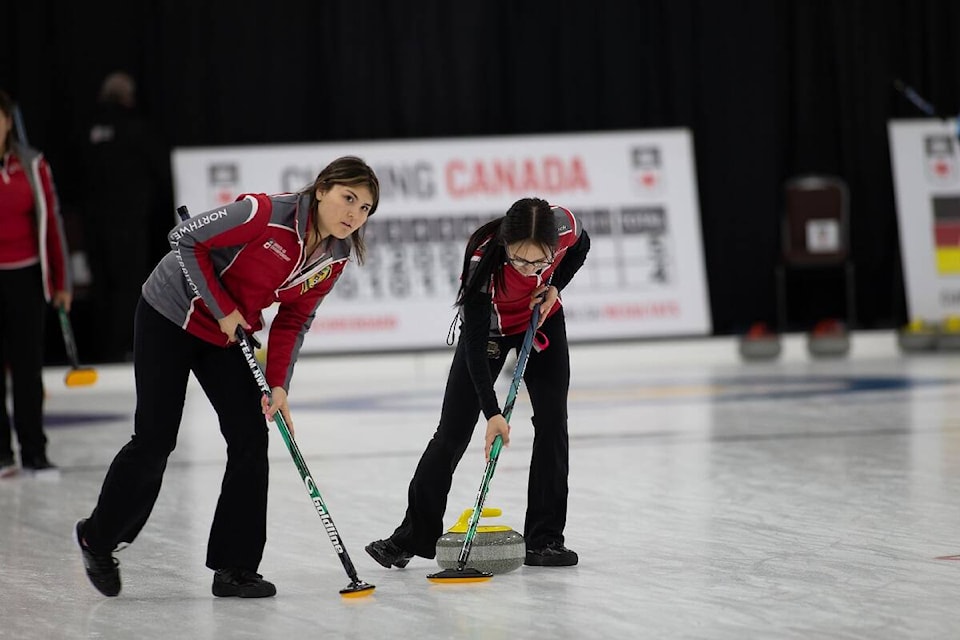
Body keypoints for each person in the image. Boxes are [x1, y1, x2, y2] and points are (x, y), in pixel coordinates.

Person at [75, 156, 379, 598]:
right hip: (170, 315)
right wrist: (221, 308)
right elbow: (183, 238)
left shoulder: (334, 257)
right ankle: (97, 539)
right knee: (156, 440)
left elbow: (295, 319)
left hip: (227, 334)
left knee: (251, 437)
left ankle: (235, 567)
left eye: (366, 208)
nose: (354, 214)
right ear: (321, 189)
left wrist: (279, 386)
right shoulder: (264, 213)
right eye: (348, 198)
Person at [366, 197, 590, 569]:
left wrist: (555, 286)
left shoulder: (565, 226)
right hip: (488, 333)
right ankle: (411, 536)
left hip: (542, 320)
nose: (529, 267)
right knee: (451, 434)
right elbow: (472, 346)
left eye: (540, 261)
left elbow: (582, 246)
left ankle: (545, 539)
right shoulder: (482, 261)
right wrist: (492, 414)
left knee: (553, 423)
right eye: (520, 259)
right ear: (505, 244)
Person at [0, 90, 72, 477]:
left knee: (28, 368)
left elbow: (52, 224)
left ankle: (34, 450)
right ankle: (1, 453)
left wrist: (62, 281)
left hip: (26, 277)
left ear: (9, 121)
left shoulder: (33, 164)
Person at [81, 71, 174, 361]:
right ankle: (125, 345)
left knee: (101, 284)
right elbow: (162, 173)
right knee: (128, 284)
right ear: (128, 98)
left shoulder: (84, 130)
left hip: (92, 222)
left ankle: (101, 348)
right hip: (128, 223)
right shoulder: (136, 129)